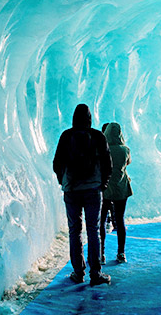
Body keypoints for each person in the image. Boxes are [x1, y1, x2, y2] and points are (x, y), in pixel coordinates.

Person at [53, 104, 112, 286]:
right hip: (93, 189)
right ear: (89, 118)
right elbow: (107, 163)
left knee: (74, 230)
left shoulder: (66, 136)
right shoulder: (97, 136)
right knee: (93, 230)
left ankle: (78, 272)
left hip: (71, 190)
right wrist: (103, 183)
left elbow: (57, 163)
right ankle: (96, 273)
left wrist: (63, 181)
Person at [100, 121, 132, 264]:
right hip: (122, 188)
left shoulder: (103, 149)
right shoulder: (125, 150)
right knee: (120, 219)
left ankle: (101, 253)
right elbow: (127, 163)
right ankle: (121, 253)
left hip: (105, 189)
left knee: (100, 221)